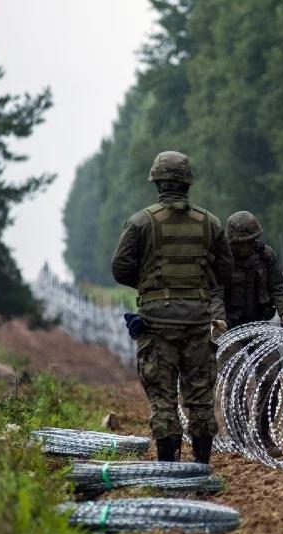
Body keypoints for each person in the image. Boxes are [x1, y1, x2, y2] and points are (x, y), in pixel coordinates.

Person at [112, 151, 231, 464]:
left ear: (157, 183)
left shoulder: (141, 222)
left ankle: (168, 471)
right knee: (201, 398)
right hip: (197, 320)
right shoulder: (211, 223)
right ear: (187, 185)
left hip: (156, 321)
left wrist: (151, 287)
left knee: (163, 400)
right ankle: (202, 467)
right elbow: (226, 271)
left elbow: (120, 267)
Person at [222, 210, 283, 457]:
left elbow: (277, 287)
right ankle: (240, 435)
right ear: (233, 241)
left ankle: (263, 432)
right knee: (237, 378)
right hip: (230, 328)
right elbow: (213, 292)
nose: (247, 246)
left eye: (250, 240)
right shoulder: (221, 259)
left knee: (272, 371)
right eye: (242, 242)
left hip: (259, 325)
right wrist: (217, 320)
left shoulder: (265, 255)